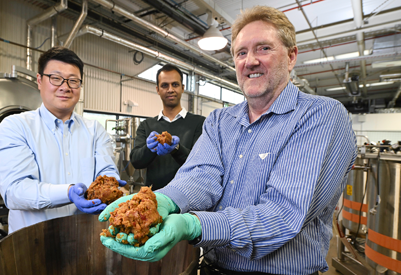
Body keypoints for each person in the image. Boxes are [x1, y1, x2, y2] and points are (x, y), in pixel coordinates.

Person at [100, 6, 357, 275]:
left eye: (264, 48)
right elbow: (201, 175)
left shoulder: (321, 116)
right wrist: (162, 201)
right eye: (241, 52)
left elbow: (283, 214)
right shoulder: (220, 121)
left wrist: (195, 225)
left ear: (291, 56)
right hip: (212, 267)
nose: (250, 61)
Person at [0, 47, 125, 233]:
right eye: (55, 78)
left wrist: (111, 183)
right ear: (39, 80)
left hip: (87, 237)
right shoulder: (15, 127)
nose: (65, 87)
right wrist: (68, 193)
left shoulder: (95, 130)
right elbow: (15, 191)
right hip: (33, 240)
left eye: (73, 81)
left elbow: (106, 170)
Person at [130, 64, 205, 190]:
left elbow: (200, 163)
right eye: (164, 85)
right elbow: (136, 162)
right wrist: (149, 149)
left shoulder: (200, 123)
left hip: (188, 196)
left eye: (175, 84)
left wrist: (176, 148)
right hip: (154, 198)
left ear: (182, 88)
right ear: (157, 90)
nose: (170, 89)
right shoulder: (146, 125)